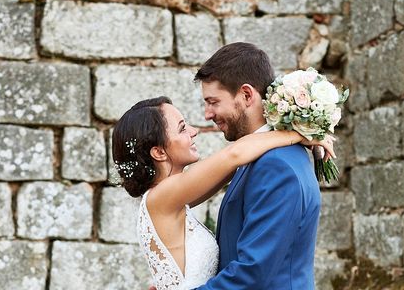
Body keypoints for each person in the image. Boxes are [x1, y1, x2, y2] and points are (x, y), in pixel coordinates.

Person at [112, 93, 334, 289]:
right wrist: (298, 134)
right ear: (159, 152)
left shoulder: (171, 198)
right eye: (182, 128)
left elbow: (233, 167)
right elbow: (233, 156)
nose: (194, 131)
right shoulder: (163, 196)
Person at [191, 42, 323, 289]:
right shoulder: (260, 155)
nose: (207, 114)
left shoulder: (277, 166)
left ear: (247, 95)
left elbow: (252, 273)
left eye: (213, 101)